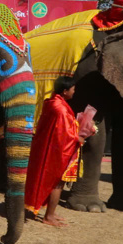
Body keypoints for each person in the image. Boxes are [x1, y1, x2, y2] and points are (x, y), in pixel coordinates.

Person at [25, 77, 93, 226]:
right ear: (65, 91)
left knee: (54, 182)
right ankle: (48, 216)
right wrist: (79, 138)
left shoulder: (54, 103)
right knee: (57, 183)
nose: (74, 92)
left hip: (49, 149)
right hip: (57, 152)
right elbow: (64, 134)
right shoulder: (60, 109)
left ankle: (51, 211)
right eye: (73, 89)